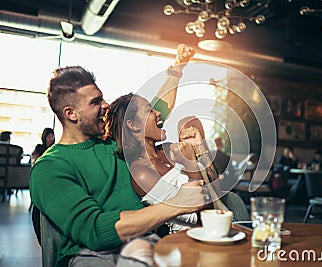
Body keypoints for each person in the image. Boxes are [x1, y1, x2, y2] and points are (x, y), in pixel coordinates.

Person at [30, 44, 207, 267]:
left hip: (142, 241)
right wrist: (177, 204)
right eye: (95, 102)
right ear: (70, 113)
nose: (105, 105)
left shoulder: (113, 142)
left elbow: (157, 108)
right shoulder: (50, 168)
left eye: (101, 97)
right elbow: (95, 231)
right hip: (90, 255)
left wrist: (179, 67)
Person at [105, 94, 204, 233]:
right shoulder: (142, 174)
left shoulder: (169, 149)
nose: (158, 113)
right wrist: (191, 164)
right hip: (190, 241)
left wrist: (199, 148)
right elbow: (200, 214)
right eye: (149, 110)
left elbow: (217, 188)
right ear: (133, 125)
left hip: (222, 226)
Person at [31, 127, 55, 245]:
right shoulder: (40, 149)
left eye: (52, 136)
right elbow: (35, 164)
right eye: (48, 136)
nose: (51, 138)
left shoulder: (55, 149)